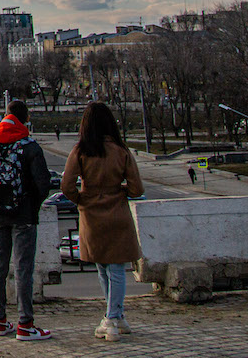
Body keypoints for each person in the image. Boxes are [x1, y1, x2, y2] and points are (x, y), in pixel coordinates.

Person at [62, 102, 145, 343]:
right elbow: (137, 189)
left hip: (91, 214)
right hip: (117, 212)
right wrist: (119, 192)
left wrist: (82, 198)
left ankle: (112, 318)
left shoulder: (81, 151)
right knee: (117, 268)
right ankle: (116, 317)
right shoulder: (121, 150)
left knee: (101, 267)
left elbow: (66, 186)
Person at [0, 99, 53, 341]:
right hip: (23, 216)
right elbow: (43, 184)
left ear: (6, 116)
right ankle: (25, 325)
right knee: (23, 269)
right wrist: (32, 207)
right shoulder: (30, 147)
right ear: (26, 119)